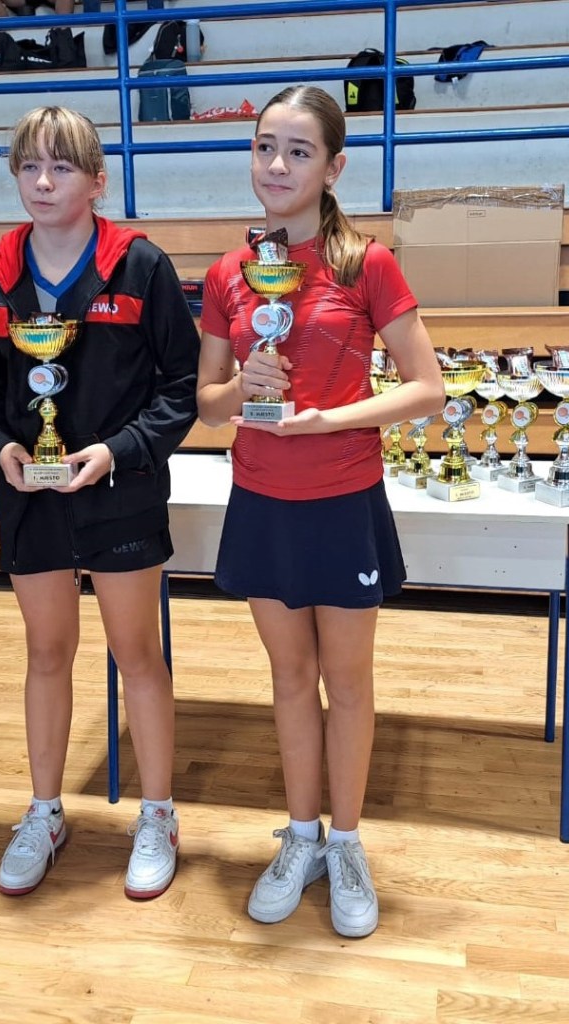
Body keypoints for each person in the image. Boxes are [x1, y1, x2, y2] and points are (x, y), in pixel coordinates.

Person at [196, 85, 445, 938]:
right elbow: (207, 404)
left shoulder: (365, 264)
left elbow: (426, 388)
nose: (277, 164)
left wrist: (329, 418)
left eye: (298, 151)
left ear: (333, 167)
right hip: (262, 499)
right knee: (289, 678)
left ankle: (346, 843)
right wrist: (244, 386)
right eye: (265, 146)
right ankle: (299, 838)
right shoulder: (228, 273)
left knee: (348, 680)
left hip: (343, 498)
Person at [0, 106, 199, 899]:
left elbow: (180, 388)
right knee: (46, 654)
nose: (43, 181)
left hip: (121, 490)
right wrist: (0, 448)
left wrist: (117, 452)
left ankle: (158, 815)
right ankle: (44, 811)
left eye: (61, 167)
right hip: (30, 495)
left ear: (97, 181)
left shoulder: (142, 265)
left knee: (138, 653)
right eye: (29, 166)